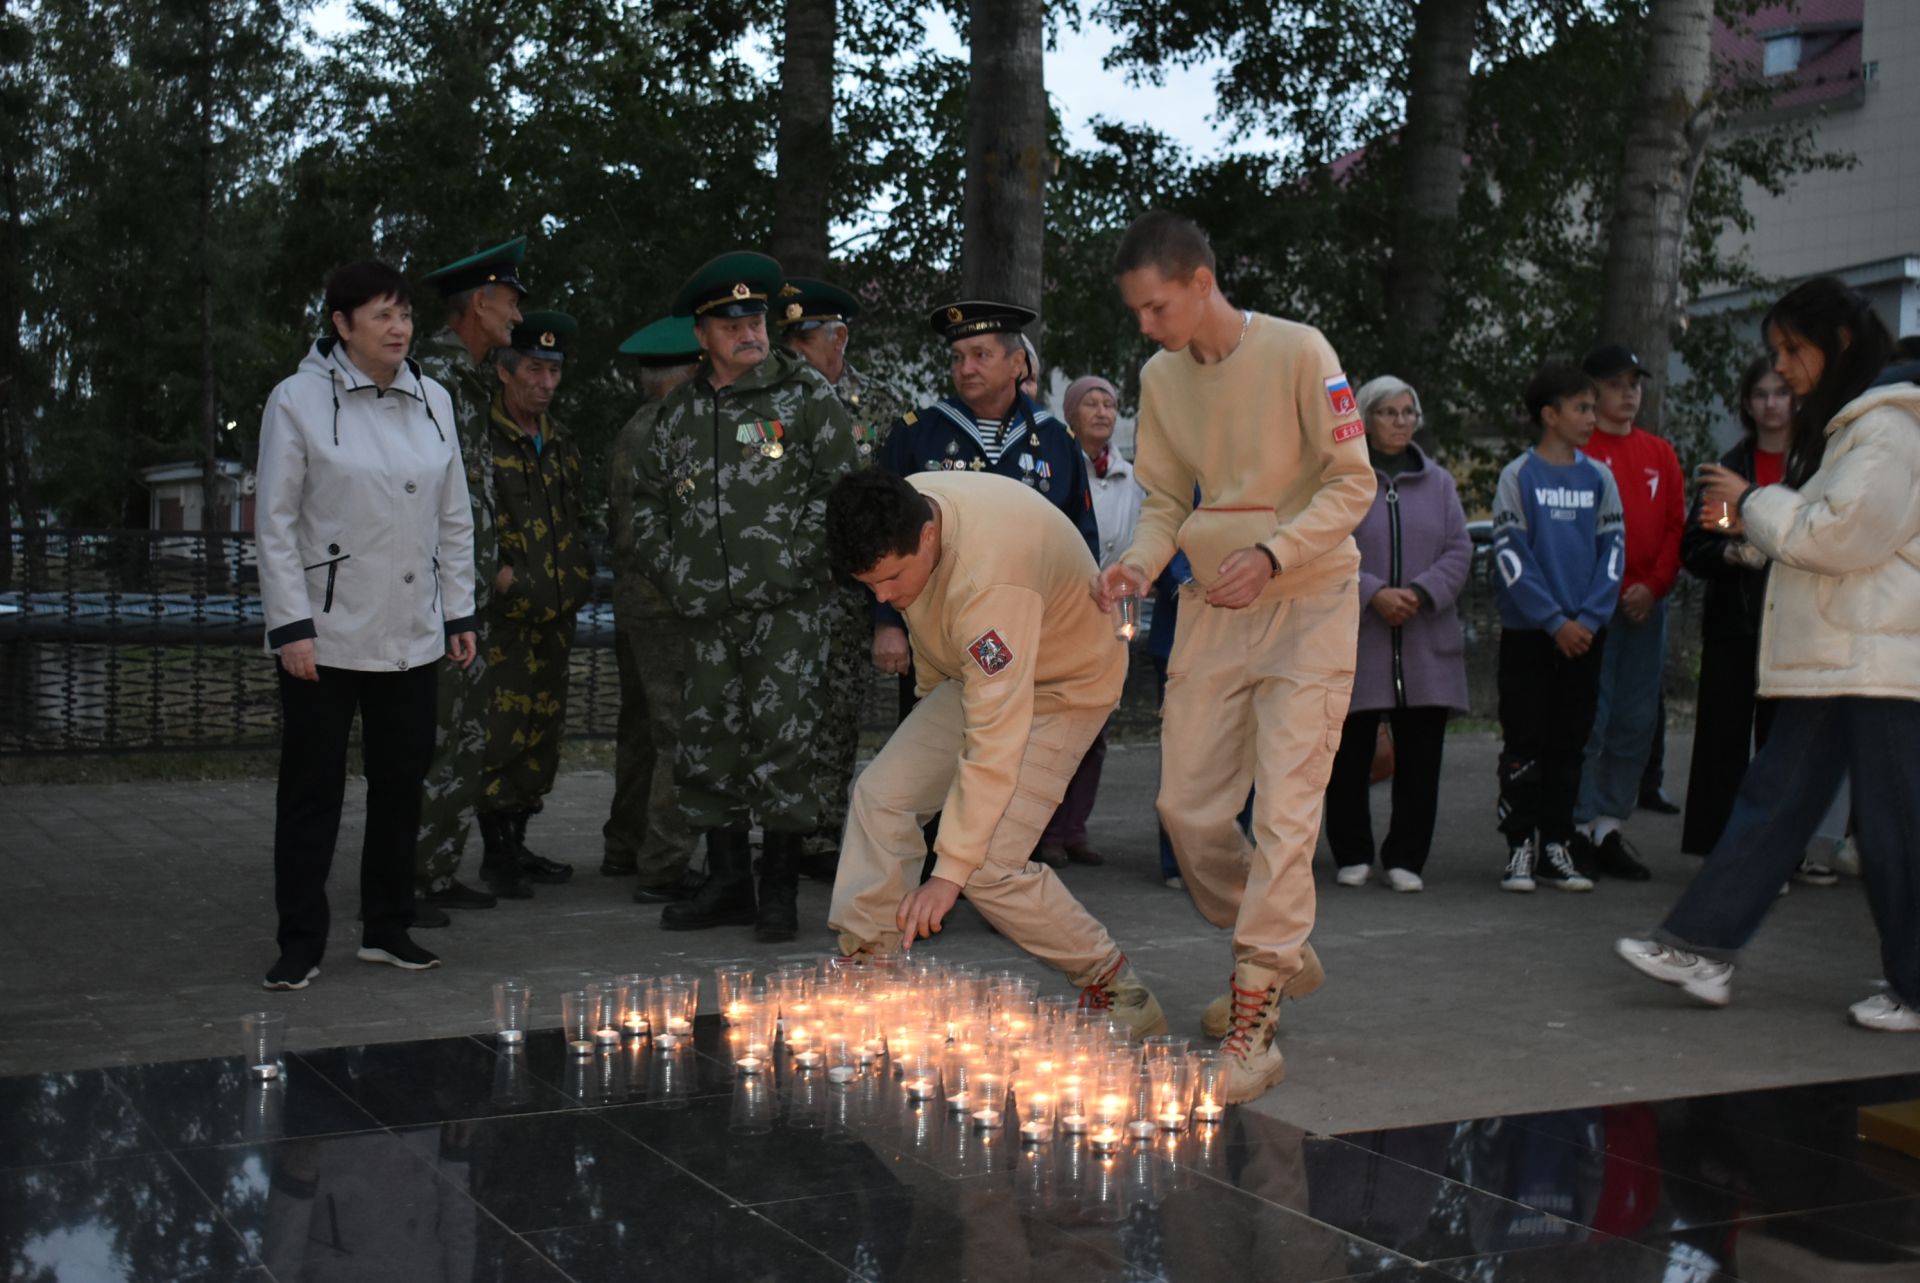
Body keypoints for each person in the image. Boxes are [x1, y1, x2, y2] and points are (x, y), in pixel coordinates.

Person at [1093, 211, 1374, 1102]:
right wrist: (1138, 561)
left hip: (1308, 603)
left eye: (1157, 307)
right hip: (1212, 606)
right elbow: (1169, 495)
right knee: (1188, 812)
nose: (1147, 326)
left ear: (1202, 283)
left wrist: (1279, 552)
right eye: (1137, 312)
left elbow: (1353, 479)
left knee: (1290, 810)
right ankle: (1280, 940)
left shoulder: (1299, 350)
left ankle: (1255, 1014)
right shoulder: (1160, 377)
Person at [1617, 277, 1920, 1032]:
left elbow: (1837, 535)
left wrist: (1751, 502)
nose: (1779, 369)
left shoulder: (1889, 428)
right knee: (1772, 802)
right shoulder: (1855, 425)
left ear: (1841, 343)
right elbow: (1817, 532)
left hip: (1879, 658)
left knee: (1894, 830)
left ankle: (1914, 984)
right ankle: (1704, 945)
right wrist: (1746, 529)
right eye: (1773, 353)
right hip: (1840, 651)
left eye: (1792, 349)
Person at [824, 469, 1167, 1037]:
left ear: (928, 536)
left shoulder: (989, 580)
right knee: (881, 794)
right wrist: (932, 706)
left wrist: (947, 873)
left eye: (888, 580)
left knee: (987, 867)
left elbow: (995, 743)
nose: (881, 598)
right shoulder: (901, 508)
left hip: (1065, 685)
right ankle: (871, 962)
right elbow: (936, 632)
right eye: (869, 585)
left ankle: (1116, 985)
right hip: (978, 676)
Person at [255, 259, 477, 988]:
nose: (399, 327)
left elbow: (454, 515)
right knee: (313, 790)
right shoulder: (297, 401)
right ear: (341, 325)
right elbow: (276, 521)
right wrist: (291, 625)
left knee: (400, 783)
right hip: (325, 631)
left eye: (405, 313)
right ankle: (301, 939)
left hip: (411, 629)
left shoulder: (433, 398)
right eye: (381, 315)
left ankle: (387, 925)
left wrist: (459, 610)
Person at [629, 251, 860, 942]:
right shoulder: (679, 415)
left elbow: (842, 492)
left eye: (755, 316)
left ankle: (779, 891)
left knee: (785, 744)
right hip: (702, 616)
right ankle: (729, 880)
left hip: (787, 613)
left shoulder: (806, 397)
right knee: (707, 747)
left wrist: (797, 561)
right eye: (729, 321)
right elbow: (644, 505)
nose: (747, 330)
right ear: (701, 335)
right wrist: (675, 572)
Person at [873, 301, 1097, 708]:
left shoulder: (1056, 441)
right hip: (939, 641)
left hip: (1035, 634)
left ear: (1017, 364)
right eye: (958, 357)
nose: (966, 368)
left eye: (981, 355)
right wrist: (887, 624)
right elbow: (882, 537)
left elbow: (1081, 539)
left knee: (1020, 753)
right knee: (934, 759)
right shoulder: (916, 435)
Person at [412, 236, 531, 908]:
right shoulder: (428, 377)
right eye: (509, 301)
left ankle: (432, 869)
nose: (517, 315)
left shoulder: (470, 378)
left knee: (462, 738)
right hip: (428, 598)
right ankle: (408, 875)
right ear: (479, 303)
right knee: (433, 740)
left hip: (462, 596)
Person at [1321, 376, 1471, 894]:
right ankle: (1353, 851)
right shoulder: (1345, 481)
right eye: (1389, 412)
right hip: (1360, 637)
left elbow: (1459, 550)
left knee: (1421, 758)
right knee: (1348, 755)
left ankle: (1407, 855)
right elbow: (1328, 546)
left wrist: (1422, 593)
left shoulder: (1441, 484)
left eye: (1409, 412)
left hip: (1426, 638)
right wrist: (1373, 592)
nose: (1402, 421)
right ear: (1363, 418)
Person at [1490, 363, 1624, 896]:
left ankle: (1556, 846)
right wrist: (1552, 621)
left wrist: (1585, 620)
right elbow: (1510, 556)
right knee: (1525, 740)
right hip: (1530, 636)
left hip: (1584, 637)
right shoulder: (1517, 476)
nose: (1593, 417)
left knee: (1571, 742)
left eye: (1593, 407)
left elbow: (1613, 554)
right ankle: (1519, 844)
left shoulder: (1600, 478)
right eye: (1582, 408)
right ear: (1550, 415)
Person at [473, 312, 593, 883]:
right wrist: (505, 582)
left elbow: (577, 518)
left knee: (542, 733)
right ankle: (496, 852)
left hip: (555, 615)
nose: (546, 383)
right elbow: (472, 526)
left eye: (555, 372)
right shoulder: (482, 439)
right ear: (505, 371)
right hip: (505, 622)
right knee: (501, 732)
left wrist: (579, 575)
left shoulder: (564, 441)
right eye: (536, 370)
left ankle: (518, 844)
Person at [778, 278, 888, 878]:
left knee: (839, 714)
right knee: (781, 710)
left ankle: (822, 837)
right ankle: (779, 834)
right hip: (786, 590)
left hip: (849, 595)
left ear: (838, 338)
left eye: (804, 341)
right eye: (789, 342)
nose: (793, 354)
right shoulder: (767, 402)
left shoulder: (879, 405)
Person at [1568, 345, 1684, 883]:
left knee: (1635, 719)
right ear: (1590, 390)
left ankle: (1610, 824)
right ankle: (1577, 823)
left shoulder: (1660, 453)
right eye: (1615, 383)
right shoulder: (1575, 451)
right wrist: (1603, 591)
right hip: (1592, 607)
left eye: (1634, 382)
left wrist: (1654, 586)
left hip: (1644, 607)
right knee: (1590, 715)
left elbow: (1674, 528)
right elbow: (1564, 534)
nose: (1628, 392)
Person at [603, 316, 704, 900]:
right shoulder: (671, 428)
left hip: (637, 600)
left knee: (641, 729)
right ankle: (665, 865)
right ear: (688, 371)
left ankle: (626, 842)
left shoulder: (635, 426)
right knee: (680, 732)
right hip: (667, 603)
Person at [1677, 356, 1789, 859]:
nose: (1771, 403)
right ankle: (1717, 847)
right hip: (1733, 627)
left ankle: (1781, 849)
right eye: (1761, 393)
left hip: (1797, 629)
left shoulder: (1815, 467)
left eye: (1781, 393)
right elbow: (1698, 544)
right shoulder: (1727, 472)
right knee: (1722, 742)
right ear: (1747, 404)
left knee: (1783, 746)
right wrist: (1729, 551)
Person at [1035, 375, 1138, 868]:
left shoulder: (1131, 477)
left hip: (1112, 608)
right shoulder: (1056, 464)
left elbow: (1142, 538)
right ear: (1070, 414)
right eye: (1090, 403)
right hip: (1063, 606)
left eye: (1110, 404)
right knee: (1057, 722)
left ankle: (1075, 828)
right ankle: (1046, 831)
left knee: (1098, 724)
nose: (1102, 411)